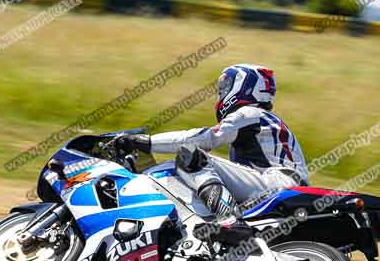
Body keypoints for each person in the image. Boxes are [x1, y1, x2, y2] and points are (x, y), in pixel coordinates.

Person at [116, 64, 308, 238]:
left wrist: (147, 142)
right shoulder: (260, 120)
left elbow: (205, 139)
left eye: (227, 86)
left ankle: (230, 220)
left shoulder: (250, 113)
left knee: (191, 156)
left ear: (246, 87)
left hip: (278, 183)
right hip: (278, 185)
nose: (222, 91)